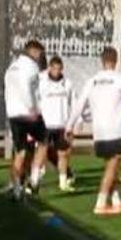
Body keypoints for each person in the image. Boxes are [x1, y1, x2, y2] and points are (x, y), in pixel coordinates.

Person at [66, 47, 121, 215]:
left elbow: (79, 105)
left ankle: (116, 200)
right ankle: (100, 202)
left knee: (110, 165)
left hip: (98, 133)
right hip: (115, 131)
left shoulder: (92, 81)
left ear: (102, 60)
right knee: (113, 165)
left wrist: (69, 126)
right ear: (116, 60)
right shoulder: (120, 80)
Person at [4, 40, 50, 200]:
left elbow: (8, 90)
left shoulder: (12, 67)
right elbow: (26, 88)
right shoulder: (31, 67)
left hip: (13, 113)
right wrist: (31, 108)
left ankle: (15, 187)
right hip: (27, 113)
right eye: (39, 53)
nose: (40, 57)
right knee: (45, 140)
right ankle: (35, 177)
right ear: (34, 52)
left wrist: (11, 110)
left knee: (20, 151)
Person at [38, 56, 76, 192]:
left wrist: (74, 123)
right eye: (54, 68)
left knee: (63, 154)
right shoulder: (42, 82)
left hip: (62, 125)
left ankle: (63, 182)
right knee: (41, 154)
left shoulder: (68, 83)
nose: (56, 71)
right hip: (46, 124)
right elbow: (36, 102)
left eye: (59, 69)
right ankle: (35, 181)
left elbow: (74, 103)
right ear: (49, 68)